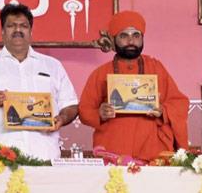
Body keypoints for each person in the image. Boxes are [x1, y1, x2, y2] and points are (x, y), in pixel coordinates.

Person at [0, 3, 79, 161]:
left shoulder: (53, 65)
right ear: (2, 31)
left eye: (23, 26)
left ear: (30, 31)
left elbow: (71, 104)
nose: (18, 30)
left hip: (45, 158)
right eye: (11, 26)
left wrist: (61, 118)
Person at [77, 10, 189, 162]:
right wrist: (99, 113)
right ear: (114, 39)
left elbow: (179, 103)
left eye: (136, 36)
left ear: (142, 38)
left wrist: (163, 111)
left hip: (153, 152)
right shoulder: (100, 73)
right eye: (124, 36)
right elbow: (84, 110)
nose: (131, 41)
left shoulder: (156, 68)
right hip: (113, 153)